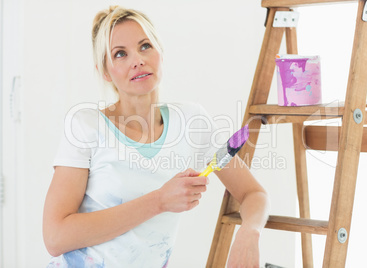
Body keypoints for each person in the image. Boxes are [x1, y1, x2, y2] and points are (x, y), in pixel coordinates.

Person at [43, 5, 270, 268]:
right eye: (120, 54)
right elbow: (55, 237)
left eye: (145, 46)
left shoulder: (192, 121)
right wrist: (160, 201)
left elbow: (254, 194)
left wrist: (248, 233)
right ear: (105, 72)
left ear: (160, 51)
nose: (137, 60)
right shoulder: (85, 126)